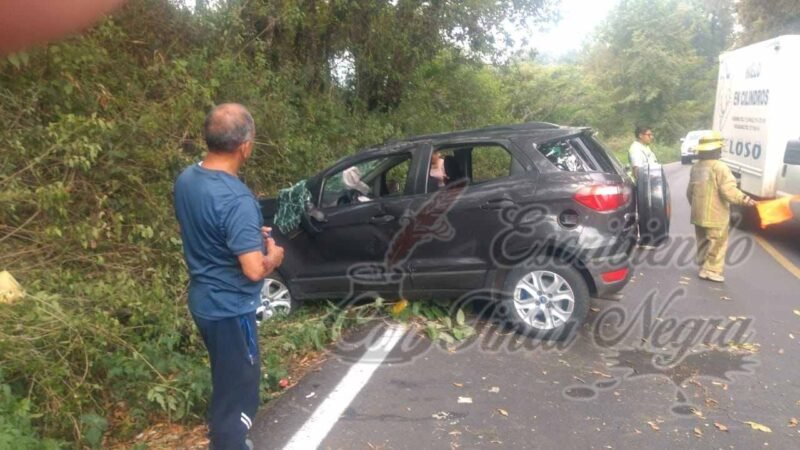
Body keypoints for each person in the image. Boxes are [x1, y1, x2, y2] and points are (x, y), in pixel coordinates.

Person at [174, 103, 284, 449]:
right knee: (238, 393)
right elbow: (253, 270)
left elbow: (210, 229)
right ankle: (230, 443)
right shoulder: (236, 198)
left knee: (225, 380)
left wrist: (248, 234)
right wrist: (273, 255)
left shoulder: (188, 179)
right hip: (230, 309)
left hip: (204, 302)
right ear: (245, 145)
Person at [686, 131, 755, 282]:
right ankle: (711, 270)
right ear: (715, 150)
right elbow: (728, 191)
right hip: (715, 214)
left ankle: (703, 266)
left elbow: (690, 192)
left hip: (698, 214)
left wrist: (697, 206)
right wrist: (744, 199)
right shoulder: (720, 167)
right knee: (717, 242)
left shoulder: (696, 167)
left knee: (703, 240)